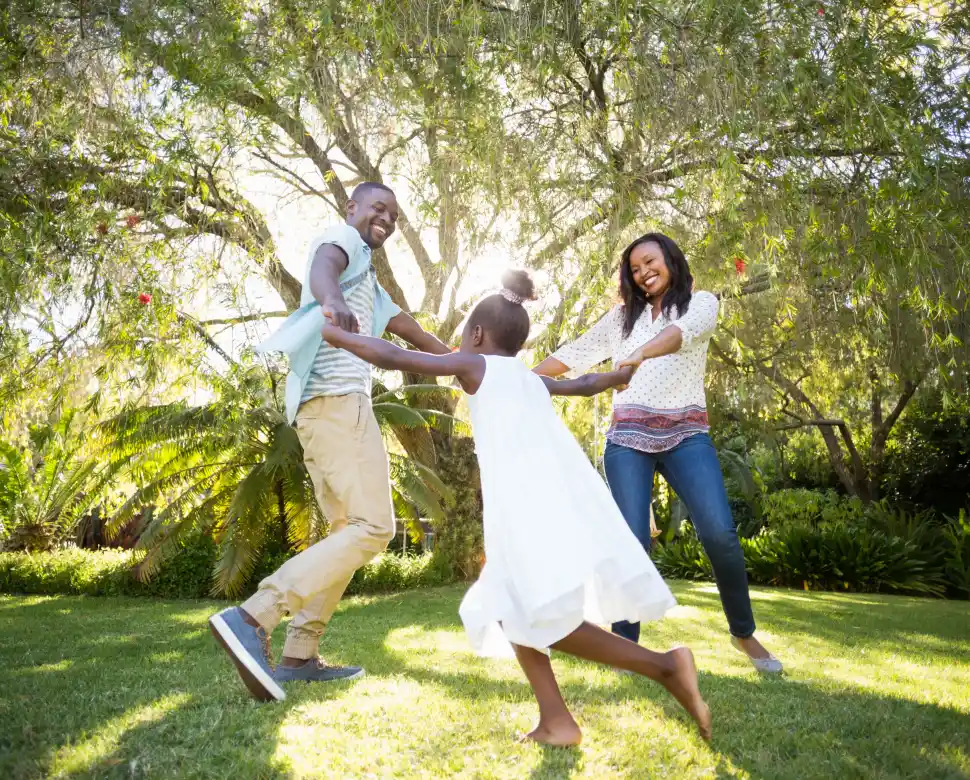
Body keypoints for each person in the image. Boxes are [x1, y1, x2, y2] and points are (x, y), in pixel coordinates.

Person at [319, 270, 712, 746]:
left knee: (544, 616)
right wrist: (615, 377)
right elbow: (585, 384)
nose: (459, 344)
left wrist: (341, 336)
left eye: (464, 335)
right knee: (508, 606)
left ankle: (665, 666)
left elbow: (397, 355)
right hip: (544, 499)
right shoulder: (527, 378)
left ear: (478, 336)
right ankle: (557, 721)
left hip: (526, 506)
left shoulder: (476, 367)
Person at [209, 182, 453, 702]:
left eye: (393, 213)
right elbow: (324, 265)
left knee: (345, 534)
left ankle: (300, 653)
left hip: (319, 416)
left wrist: (469, 364)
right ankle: (255, 616)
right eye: (377, 208)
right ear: (353, 209)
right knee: (374, 528)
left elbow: (420, 338)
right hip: (340, 404)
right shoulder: (342, 242)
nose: (385, 218)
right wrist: (332, 297)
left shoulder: (374, 288)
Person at [535, 233, 783, 673]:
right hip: (627, 438)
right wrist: (521, 379)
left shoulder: (701, 303)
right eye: (634, 269)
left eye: (650, 261)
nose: (643, 272)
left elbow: (676, 336)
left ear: (670, 260)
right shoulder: (620, 319)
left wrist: (636, 357)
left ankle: (743, 634)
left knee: (721, 534)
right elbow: (577, 353)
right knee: (631, 543)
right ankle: (625, 649)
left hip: (687, 434)